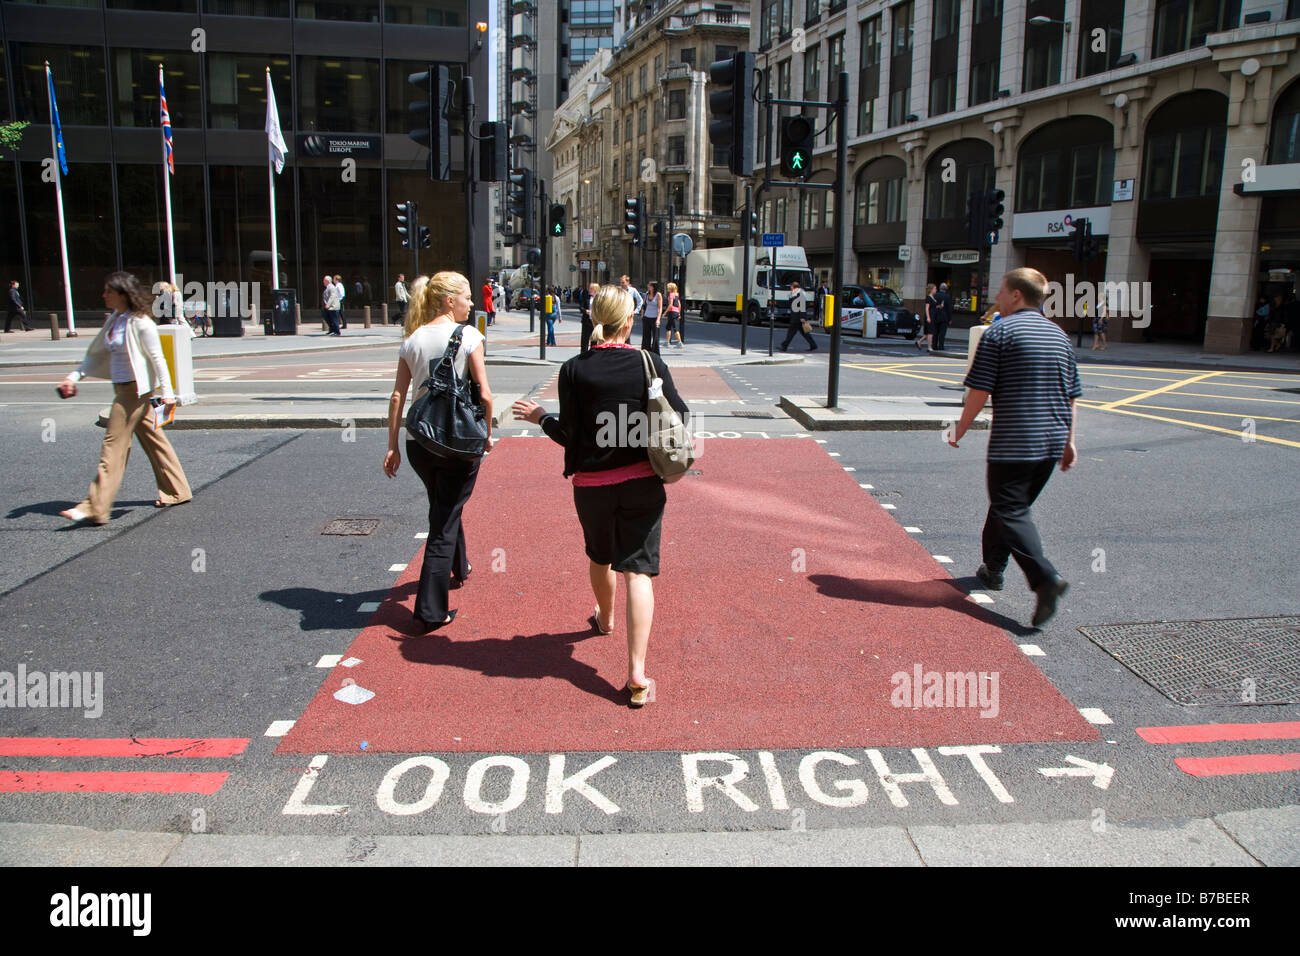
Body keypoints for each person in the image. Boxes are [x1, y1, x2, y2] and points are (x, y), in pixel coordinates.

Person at [512, 285, 689, 707]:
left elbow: (570, 436)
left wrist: (542, 419)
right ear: (629, 321)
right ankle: (637, 673)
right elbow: (678, 415)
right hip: (643, 481)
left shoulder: (574, 369)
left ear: (594, 319)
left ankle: (604, 618)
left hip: (591, 486)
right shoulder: (649, 362)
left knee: (600, 556)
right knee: (639, 571)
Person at [948, 267, 1080, 628]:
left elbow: (979, 389)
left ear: (1017, 295)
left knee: (1010, 509)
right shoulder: (1059, 335)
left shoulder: (1000, 332)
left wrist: (959, 428)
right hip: (1051, 442)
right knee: (1010, 506)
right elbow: (1071, 395)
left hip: (1016, 440)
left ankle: (1045, 579)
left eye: (1001, 291)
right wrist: (1069, 441)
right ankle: (993, 569)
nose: (996, 298)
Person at [384, 271, 494, 631]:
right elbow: (485, 393)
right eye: (466, 297)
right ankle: (431, 610)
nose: (471, 302)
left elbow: (398, 396)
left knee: (444, 504)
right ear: (449, 301)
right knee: (443, 521)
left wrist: (392, 446)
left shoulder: (412, 339)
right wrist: (487, 434)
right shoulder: (469, 336)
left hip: (420, 442)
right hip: (458, 441)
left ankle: (459, 565)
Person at [55, 272, 192, 525]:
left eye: (108, 291)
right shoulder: (116, 320)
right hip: (123, 389)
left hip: (133, 393)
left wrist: (169, 393)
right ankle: (177, 490)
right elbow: (95, 357)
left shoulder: (141, 322)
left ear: (121, 294)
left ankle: (95, 506)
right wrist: (73, 378)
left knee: (113, 447)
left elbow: (158, 358)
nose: (103, 295)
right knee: (155, 441)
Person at [779, 280, 817, 351]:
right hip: (796, 316)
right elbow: (790, 304)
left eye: (791, 287)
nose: (790, 288)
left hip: (798, 317)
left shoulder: (800, 294)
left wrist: (802, 317)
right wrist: (791, 295)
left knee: (791, 332)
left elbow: (802, 305)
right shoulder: (795, 294)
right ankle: (813, 345)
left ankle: (784, 346)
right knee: (805, 333)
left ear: (794, 287)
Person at [641, 281, 662, 353]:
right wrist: (642, 314)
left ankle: (655, 353)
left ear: (653, 287)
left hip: (654, 318)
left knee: (655, 337)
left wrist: (658, 319)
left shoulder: (658, 295)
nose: (648, 286)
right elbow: (644, 305)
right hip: (647, 317)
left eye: (649, 285)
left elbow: (660, 308)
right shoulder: (647, 294)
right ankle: (646, 351)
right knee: (646, 336)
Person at [578, 281, 599, 354]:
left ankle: (592, 355)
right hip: (586, 321)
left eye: (591, 288)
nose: (589, 290)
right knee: (584, 339)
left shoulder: (599, 298)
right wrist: (585, 311)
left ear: (595, 289)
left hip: (595, 321)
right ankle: (583, 354)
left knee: (594, 340)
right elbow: (580, 307)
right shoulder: (586, 297)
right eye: (589, 288)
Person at [933, 282, 952, 351]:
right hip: (944, 317)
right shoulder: (947, 297)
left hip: (935, 317)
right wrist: (950, 319)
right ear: (946, 289)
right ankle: (941, 346)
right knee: (942, 333)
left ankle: (934, 346)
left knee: (935, 332)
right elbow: (949, 309)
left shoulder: (935, 295)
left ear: (939, 288)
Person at [663, 281, 683, 348]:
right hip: (676, 312)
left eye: (668, 287)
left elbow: (670, 305)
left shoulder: (671, 295)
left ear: (670, 288)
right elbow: (679, 305)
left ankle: (679, 342)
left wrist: (665, 312)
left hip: (672, 312)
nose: (667, 288)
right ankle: (667, 342)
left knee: (674, 328)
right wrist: (679, 313)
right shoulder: (676, 295)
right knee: (668, 327)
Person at [921, 283, 939, 352]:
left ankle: (919, 342)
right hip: (930, 316)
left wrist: (939, 306)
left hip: (933, 316)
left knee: (929, 332)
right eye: (935, 289)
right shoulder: (928, 298)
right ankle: (929, 347)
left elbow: (933, 307)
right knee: (930, 333)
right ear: (931, 290)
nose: (936, 290)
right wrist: (928, 317)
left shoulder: (933, 298)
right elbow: (927, 308)